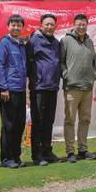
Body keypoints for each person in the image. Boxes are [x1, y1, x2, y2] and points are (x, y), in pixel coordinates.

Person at [59, 13, 96, 162]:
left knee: (85, 119)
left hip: (87, 88)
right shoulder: (65, 41)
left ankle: (83, 149)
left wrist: (93, 75)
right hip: (72, 88)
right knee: (70, 120)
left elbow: (94, 61)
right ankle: (70, 151)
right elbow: (61, 61)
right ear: (74, 25)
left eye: (84, 24)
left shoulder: (90, 42)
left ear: (87, 25)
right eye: (79, 24)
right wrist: (66, 74)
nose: (81, 27)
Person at [28, 13, 63, 166]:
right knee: (38, 121)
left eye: (52, 24)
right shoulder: (34, 40)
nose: (49, 27)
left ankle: (47, 151)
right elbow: (29, 62)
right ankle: (37, 155)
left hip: (52, 87)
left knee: (49, 121)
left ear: (55, 26)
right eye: (47, 24)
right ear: (41, 25)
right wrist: (35, 79)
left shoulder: (56, 42)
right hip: (39, 87)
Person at [0, 14, 29, 168]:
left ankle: (16, 156)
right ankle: (7, 158)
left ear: (22, 27)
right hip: (8, 90)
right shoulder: (4, 43)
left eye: (18, 25)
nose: (16, 28)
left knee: (19, 124)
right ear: (8, 27)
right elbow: (0, 66)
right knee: (8, 125)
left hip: (20, 89)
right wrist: (3, 88)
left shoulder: (22, 44)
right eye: (13, 25)